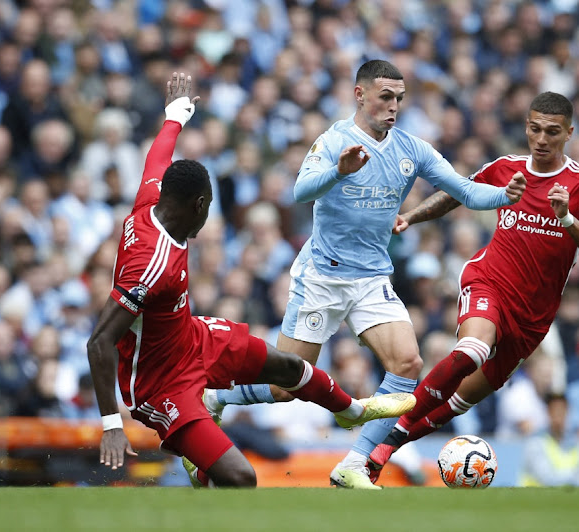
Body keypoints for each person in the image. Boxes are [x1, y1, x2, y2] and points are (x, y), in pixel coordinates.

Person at [203, 59, 526, 489]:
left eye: (399, 99)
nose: (394, 107)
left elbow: (465, 190)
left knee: (408, 363)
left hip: (371, 279)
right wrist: (339, 170)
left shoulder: (411, 148)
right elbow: (300, 191)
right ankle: (218, 396)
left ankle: (354, 463)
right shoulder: (335, 139)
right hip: (322, 277)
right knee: (287, 385)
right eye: (385, 97)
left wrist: (506, 194)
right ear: (360, 95)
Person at [86, 72, 416, 488]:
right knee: (242, 479)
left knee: (288, 364)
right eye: (208, 212)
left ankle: (349, 410)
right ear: (199, 204)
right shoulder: (151, 265)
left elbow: (157, 157)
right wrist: (111, 423)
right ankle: (201, 461)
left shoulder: (151, 198)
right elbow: (99, 341)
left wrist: (177, 113)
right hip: (160, 381)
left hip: (191, 337)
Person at [369, 91, 579, 485]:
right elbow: (458, 193)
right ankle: (384, 443)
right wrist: (411, 216)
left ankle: (388, 444)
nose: (542, 139)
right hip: (490, 281)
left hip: (533, 317)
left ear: (569, 133)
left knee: (460, 401)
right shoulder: (506, 168)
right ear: (526, 128)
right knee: (472, 351)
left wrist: (567, 218)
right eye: (534, 129)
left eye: (552, 132)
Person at [519, 393, 579, 487]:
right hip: (536, 500)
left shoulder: (576, 443)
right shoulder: (535, 443)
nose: (558, 416)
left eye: (562, 411)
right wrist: (576, 475)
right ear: (548, 413)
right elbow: (548, 479)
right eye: (555, 411)